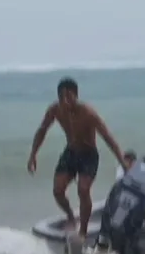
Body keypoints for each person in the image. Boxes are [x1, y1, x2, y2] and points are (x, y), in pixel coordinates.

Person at [27, 77, 129, 237]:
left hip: (89, 155)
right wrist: (33, 155)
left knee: (83, 189)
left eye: (69, 97)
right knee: (58, 190)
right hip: (71, 152)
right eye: (61, 97)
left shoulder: (88, 113)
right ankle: (70, 216)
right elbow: (42, 130)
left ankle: (83, 231)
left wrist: (122, 161)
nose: (65, 101)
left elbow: (108, 137)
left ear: (76, 95)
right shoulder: (55, 110)